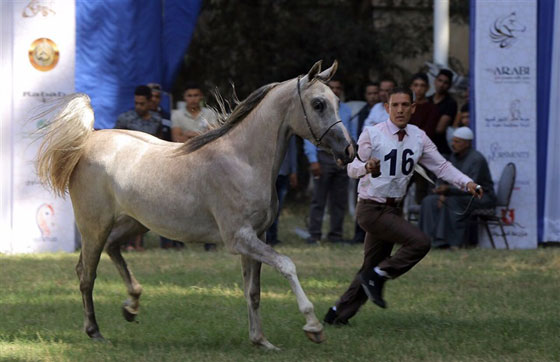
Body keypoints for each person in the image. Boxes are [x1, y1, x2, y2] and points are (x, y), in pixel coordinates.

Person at [323, 87, 482, 325]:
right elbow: (351, 168)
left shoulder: (418, 136)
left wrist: (467, 182)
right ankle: (378, 276)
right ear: (386, 108)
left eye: (405, 105)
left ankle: (337, 314)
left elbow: (441, 166)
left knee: (369, 267)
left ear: (413, 108)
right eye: (395, 105)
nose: (400, 110)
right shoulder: (372, 133)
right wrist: (367, 167)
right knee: (420, 243)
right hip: (371, 208)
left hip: (393, 209)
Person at [419, 127, 496, 249]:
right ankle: (427, 240)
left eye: (457, 142)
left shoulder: (477, 159)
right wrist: (442, 193)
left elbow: (473, 187)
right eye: (453, 141)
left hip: (481, 197)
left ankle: (451, 242)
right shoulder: (454, 156)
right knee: (429, 201)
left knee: (452, 202)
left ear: (467, 143)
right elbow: (445, 177)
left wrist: (448, 192)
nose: (453, 144)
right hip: (457, 194)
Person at [303, 78, 354, 244]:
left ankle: (335, 235)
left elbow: (351, 135)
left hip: (342, 158)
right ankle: (314, 235)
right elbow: (309, 136)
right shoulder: (318, 109)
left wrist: (350, 157)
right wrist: (313, 160)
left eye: (338, 87)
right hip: (323, 156)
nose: (335, 90)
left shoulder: (346, 110)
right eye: (332, 87)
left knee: (339, 200)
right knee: (319, 198)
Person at [115, 85, 164, 251]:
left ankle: (138, 244)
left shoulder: (157, 121)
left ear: (150, 102)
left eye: (142, 103)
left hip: (150, 169)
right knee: (127, 207)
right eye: (136, 103)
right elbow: (114, 143)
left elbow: (161, 144)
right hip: (127, 169)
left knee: (144, 206)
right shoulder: (125, 119)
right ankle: (125, 243)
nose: (138, 107)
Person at [352, 82, 380, 244]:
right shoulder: (365, 112)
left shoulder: (385, 111)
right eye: (370, 93)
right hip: (364, 159)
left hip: (382, 161)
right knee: (362, 196)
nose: (375, 96)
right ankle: (359, 234)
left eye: (377, 92)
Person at [409, 72, 440, 204]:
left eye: (422, 86)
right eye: (416, 85)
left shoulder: (432, 108)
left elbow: (427, 133)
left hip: (422, 157)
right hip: (403, 156)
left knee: (421, 196)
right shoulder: (406, 107)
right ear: (411, 87)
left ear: (427, 88)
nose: (419, 89)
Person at [266, 136, 298, 246]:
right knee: (266, 207)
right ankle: (266, 236)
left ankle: (273, 236)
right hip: (268, 173)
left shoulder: (289, 130)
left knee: (277, 208)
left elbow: (293, 151)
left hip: (283, 173)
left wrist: (294, 171)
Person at [428, 69, 458, 157]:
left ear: (449, 85)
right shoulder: (428, 100)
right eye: (440, 81)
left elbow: (440, 129)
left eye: (445, 83)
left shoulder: (450, 103)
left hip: (440, 150)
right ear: (435, 81)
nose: (441, 85)